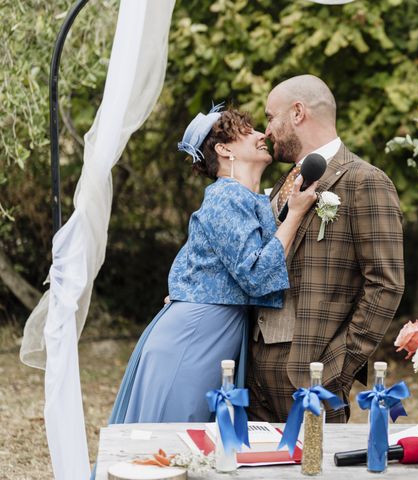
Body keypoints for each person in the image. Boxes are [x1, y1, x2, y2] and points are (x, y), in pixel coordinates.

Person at [109, 105, 318, 423]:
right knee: (176, 428)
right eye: (248, 132)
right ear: (223, 149)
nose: (263, 134)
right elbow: (257, 276)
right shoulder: (225, 197)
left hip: (214, 330)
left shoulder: (246, 198)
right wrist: (298, 214)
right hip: (195, 336)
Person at [247, 75, 405, 423]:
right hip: (253, 373)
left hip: (312, 374)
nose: (267, 130)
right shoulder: (281, 184)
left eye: (271, 117)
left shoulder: (365, 181)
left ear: (298, 113)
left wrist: (336, 368)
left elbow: (386, 284)